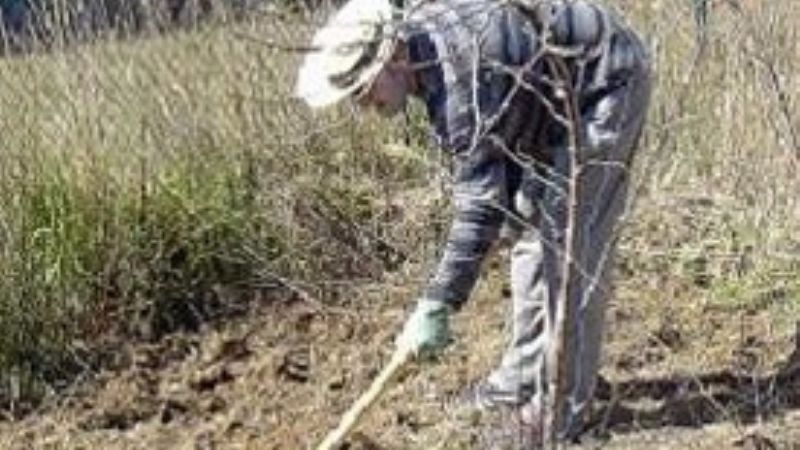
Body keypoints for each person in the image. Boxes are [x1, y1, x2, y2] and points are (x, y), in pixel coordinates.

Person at [296, 0, 651, 443]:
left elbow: (480, 204)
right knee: (529, 230)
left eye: (363, 90)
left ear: (396, 56)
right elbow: (493, 180)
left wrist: (439, 301)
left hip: (605, 83)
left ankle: (561, 410)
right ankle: (521, 379)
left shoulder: (460, 80)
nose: (363, 106)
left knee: (571, 250)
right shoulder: (429, 55)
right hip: (545, 95)